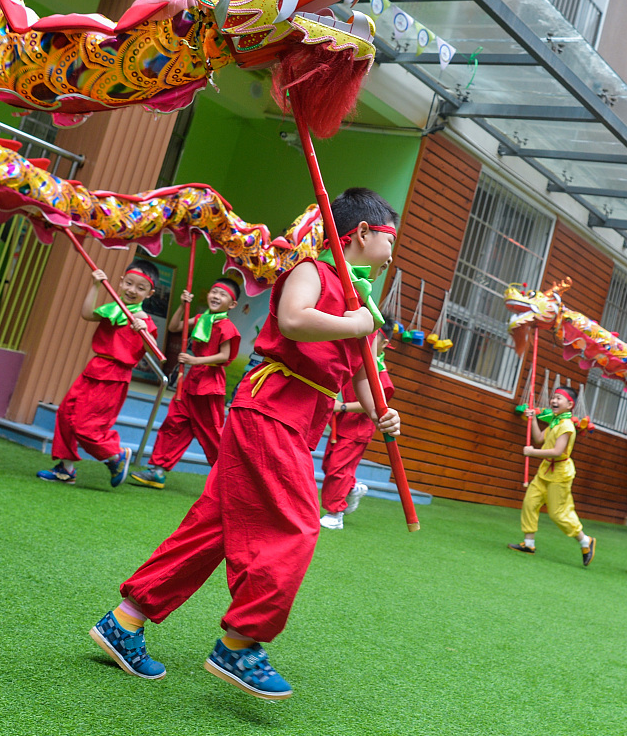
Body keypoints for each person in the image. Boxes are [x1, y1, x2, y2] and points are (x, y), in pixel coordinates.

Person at [88, 188, 400, 701]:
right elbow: (297, 322)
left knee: (215, 524)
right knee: (295, 524)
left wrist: (379, 409)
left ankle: (126, 620)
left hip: (299, 416)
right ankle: (240, 641)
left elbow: (361, 373)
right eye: (390, 239)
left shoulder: (357, 294)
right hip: (272, 407)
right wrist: (359, 321)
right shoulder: (313, 271)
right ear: (362, 234)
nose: (392, 251)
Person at [37, 259, 159, 487]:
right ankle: (66, 469)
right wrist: (94, 285)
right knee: (65, 413)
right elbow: (87, 314)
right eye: (129, 284)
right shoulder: (113, 308)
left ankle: (115, 455)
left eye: (140, 288)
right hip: (95, 368)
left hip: (114, 376)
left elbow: (153, 350)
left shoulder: (144, 320)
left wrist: (144, 331)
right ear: (121, 282)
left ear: (149, 293)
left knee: (86, 425)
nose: (133, 290)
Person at [130, 277, 241, 488]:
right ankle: (158, 471)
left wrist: (195, 360)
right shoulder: (201, 318)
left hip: (209, 384)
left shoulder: (227, 327)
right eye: (214, 291)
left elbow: (224, 356)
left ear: (233, 304)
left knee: (212, 433)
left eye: (223, 294)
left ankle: (230, 479)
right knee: (174, 423)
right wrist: (182, 306)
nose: (216, 296)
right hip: (191, 380)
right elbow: (175, 327)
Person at [319, 320, 395, 530]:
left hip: (357, 429)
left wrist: (342, 407)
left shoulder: (379, 372)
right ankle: (352, 488)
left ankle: (335, 513)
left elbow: (378, 405)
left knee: (337, 469)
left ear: (383, 343)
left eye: (374, 337)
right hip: (342, 425)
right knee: (329, 465)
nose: (368, 340)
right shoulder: (358, 362)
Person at [508, 386, 596, 566]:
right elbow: (539, 439)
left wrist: (532, 453)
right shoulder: (555, 421)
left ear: (570, 405)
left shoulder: (566, 425)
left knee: (559, 514)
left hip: (560, 474)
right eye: (553, 398)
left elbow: (557, 451)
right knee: (530, 502)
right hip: (545, 471)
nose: (554, 401)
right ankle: (529, 543)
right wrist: (532, 419)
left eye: (559, 398)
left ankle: (585, 541)